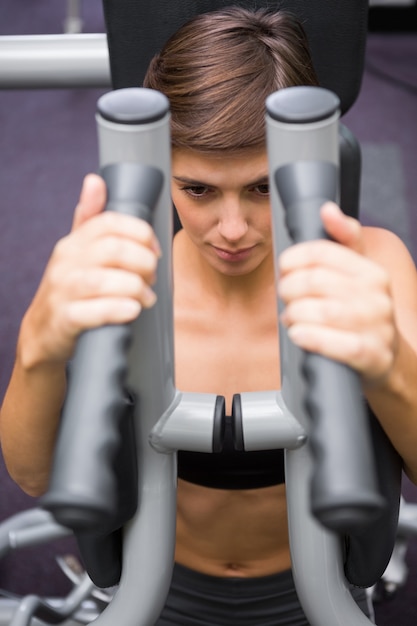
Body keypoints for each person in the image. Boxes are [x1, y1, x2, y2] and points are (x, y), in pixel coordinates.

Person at [2, 7, 417, 625]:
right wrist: (40, 346)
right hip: (155, 588)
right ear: (162, 172)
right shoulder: (122, 274)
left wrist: (386, 367)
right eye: (197, 189)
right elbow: (33, 476)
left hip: (318, 596)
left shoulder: (371, 264)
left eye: (260, 188)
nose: (231, 230)